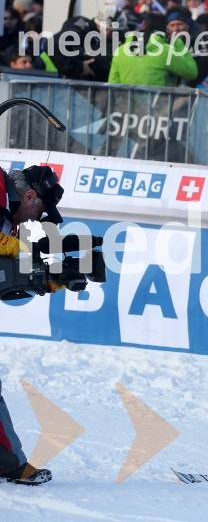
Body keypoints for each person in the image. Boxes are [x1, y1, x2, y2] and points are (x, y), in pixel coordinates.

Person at [0, 165, 66, 486]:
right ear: (28, 195)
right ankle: (9, 464)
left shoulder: (11, 219)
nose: (36, 222)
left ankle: (8, 463)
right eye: (38, 211)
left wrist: (44, 277)